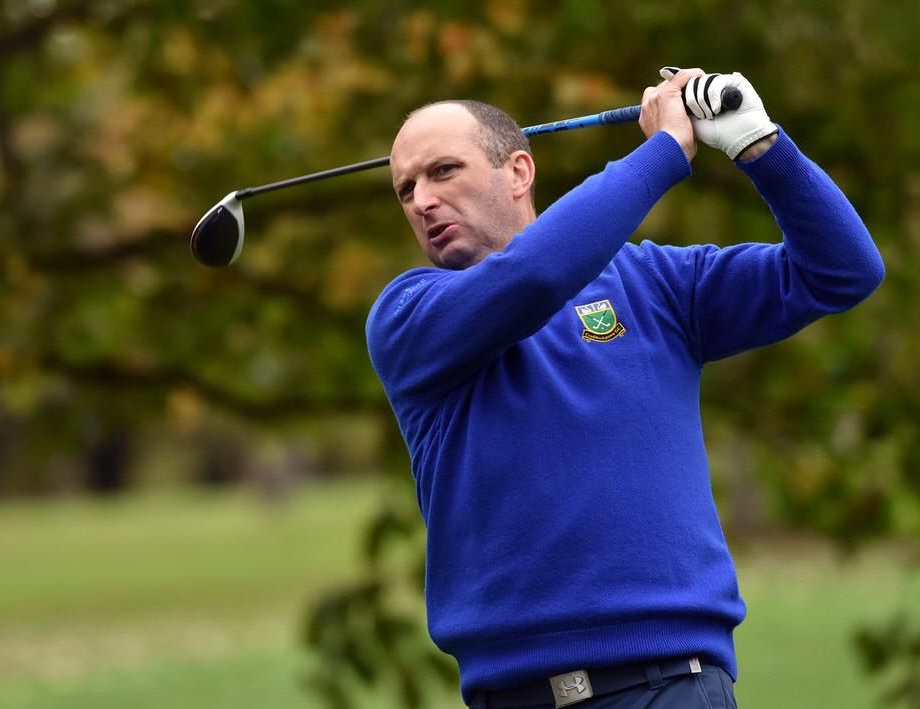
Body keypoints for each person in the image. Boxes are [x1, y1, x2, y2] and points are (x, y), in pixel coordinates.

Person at [365, 67, 884, 709]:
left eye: (443, 171)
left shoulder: (656, 282)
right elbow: (534, 276)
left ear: (519, 172)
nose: (422, 199)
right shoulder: (408, 317)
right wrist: (664, 152)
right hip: (513, 695)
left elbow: (843, 270)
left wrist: (762, 146)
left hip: (671, 684)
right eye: (405, 189)